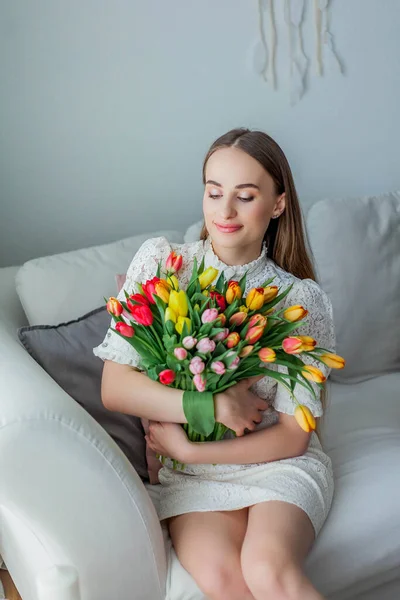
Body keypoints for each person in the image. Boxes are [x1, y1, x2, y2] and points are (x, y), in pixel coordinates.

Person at [93, 128, 336, 600]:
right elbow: (114, 387)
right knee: (227, 582)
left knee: (268, 570)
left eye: (245, 197)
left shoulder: (300, 300)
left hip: (274, 464)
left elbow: (293, 434)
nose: (224, 212)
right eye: (214, 192)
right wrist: (212, 407)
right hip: (191, 481)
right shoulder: (164, 265)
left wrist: (191, 450)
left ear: (278, 204)